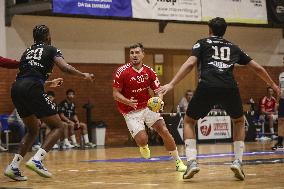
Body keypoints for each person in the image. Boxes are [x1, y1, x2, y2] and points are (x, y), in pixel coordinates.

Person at [155, 17, 280, 181]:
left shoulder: (202, 43)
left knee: (189, 121)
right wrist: (273, 84)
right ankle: (238, 161)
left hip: (207, 85)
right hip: (229, 86)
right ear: (224, 30)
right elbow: (256, 67)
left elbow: (190, 63)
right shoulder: (233, 47)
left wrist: (171, 84)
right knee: (239, 121)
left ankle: (192, 162)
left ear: (209, 30)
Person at [4, 25, 94, 181]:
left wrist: (48, 82)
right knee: (59, 126)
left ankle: (13, 167)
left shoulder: (27, 52)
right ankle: (37, 160)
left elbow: (27, 78)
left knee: (33, 129)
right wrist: (83, 75)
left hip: (16, 89)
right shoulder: (51, 49)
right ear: (48, 36)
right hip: (32, 88)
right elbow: (65, 67)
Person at [112, 43, 186, 172]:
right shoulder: (122, 71)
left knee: (164, 130)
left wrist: (159, 102)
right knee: (142, 139)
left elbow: (158, 91)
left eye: (137, 52)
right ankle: (143, 146)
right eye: (132, 53)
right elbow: (115, 93)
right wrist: (127, 101)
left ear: (143, 54)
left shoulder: (149, 71)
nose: (134, 55)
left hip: (147, 107)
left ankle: (178, 161)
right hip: (130, 110)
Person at [272, 57, 284, 150]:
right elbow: (279, 90)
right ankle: (279, 142)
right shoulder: (281, 75)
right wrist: (277, 102)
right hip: (282, 100)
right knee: (280, 121)